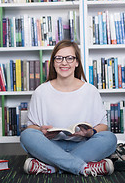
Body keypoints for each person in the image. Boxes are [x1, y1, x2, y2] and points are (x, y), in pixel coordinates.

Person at [20, 40, 117, 177]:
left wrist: (90, 132)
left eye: (69, 58)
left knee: (109, 138)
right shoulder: (41, 91)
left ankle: (51, 167)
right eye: (59, 58)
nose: (64, 63)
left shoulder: (90, 91)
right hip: (50, 147)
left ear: (77, 62)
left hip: (83, 146)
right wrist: (41, 131)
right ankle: (83, 167)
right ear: (53, 62)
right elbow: (31, 128)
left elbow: (103, 126)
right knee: (27, 136)